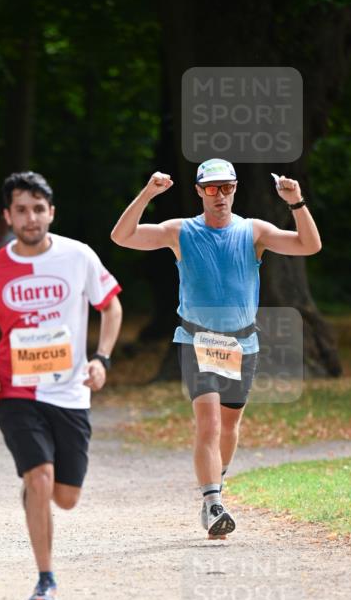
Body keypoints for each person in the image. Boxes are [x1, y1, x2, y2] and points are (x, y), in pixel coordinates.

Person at [111, 158, 322, 539]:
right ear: (198, 191)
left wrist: (296, 201)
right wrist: (148, 193)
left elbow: (309, 245)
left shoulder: (253, 230)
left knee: (229, 426)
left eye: (226, 187)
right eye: (211, 188)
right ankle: (213, 504)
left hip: (243, 342)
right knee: (207, 423)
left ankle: (215, 488)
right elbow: (122, 236)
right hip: (198, 339)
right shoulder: (181, 231)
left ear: (235, 188)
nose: (220, 195)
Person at [0, 171, 123, 600]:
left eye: (38, 208)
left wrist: (102, 358)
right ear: (7, 216)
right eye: (21, 210)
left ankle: (38, 491)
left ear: (51, 212)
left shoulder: (79, 257)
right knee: (40, 476)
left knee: (66, 498)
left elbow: (110, 307)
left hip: (70, 392)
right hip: (17, 391)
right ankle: (45, 579)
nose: (30, 217)